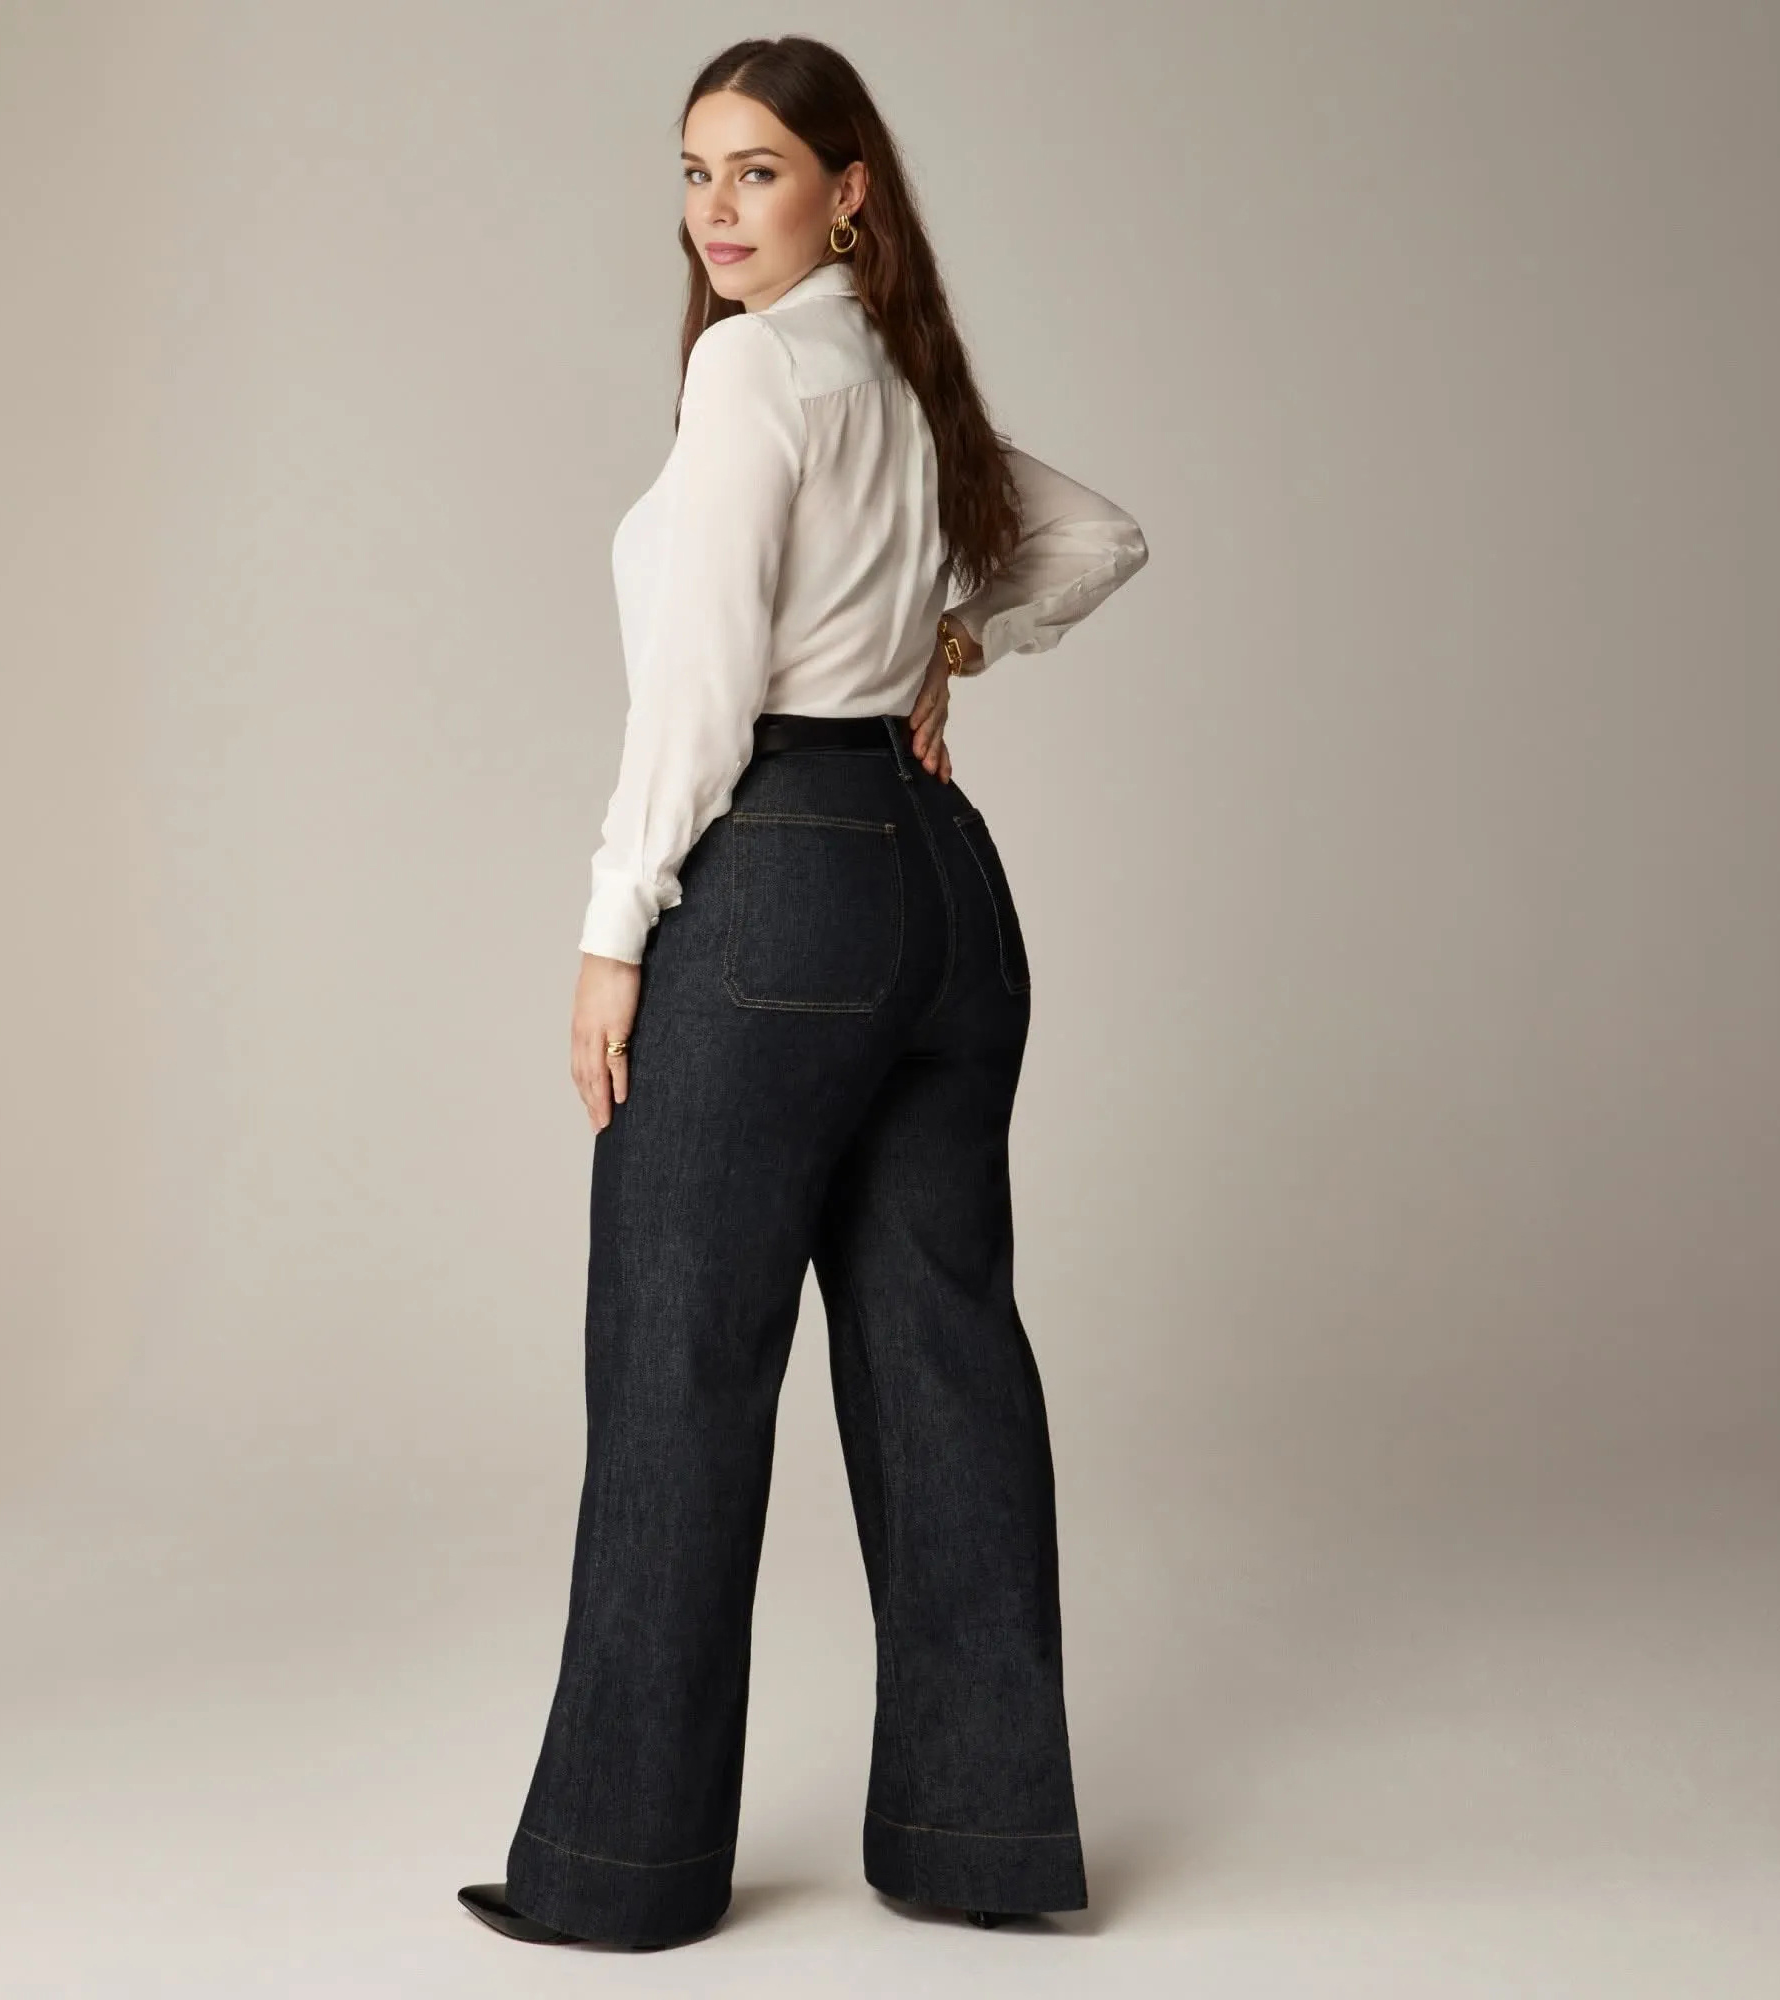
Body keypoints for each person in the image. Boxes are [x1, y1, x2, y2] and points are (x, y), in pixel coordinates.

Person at [458, 33, 1147, 1952]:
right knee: (944, 1357)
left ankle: (619, 1872)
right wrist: (950, 647)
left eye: (756, 171)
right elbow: (1098, 538)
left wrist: (614, 931)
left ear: (849, 190)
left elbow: (697, 692)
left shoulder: (755, 372)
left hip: (773, 882)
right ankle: (982, 1842)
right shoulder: (906, 385)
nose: (716, 209)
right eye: (694, 173)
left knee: (678, 1361)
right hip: (937, 886)